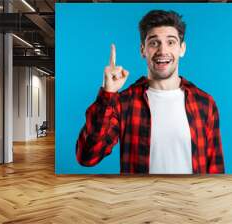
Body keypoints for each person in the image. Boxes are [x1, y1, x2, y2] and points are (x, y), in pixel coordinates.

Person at [76, 9, 224, 174]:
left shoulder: (205, 104)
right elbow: (87, 157)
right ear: (142, 50)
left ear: (182, 49)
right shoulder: (123, 103)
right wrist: (107, 94)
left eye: (171, 42)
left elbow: (215, 168)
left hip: (190, 198)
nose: (162, 51)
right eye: (154, 42)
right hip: (141, 198)